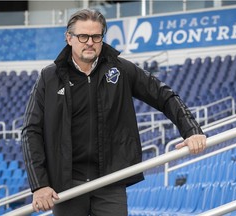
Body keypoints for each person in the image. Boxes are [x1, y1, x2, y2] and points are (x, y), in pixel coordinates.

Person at [22, 8, 207, 216]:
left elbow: (164, 96)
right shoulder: (49, 77)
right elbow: (31, 131)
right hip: (67, 184)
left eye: (96, 36)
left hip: (110, 181)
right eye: (83, 36)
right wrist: (39, 185)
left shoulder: (120, 69)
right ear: (69, 38)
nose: (90, 42)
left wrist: (191, 131)